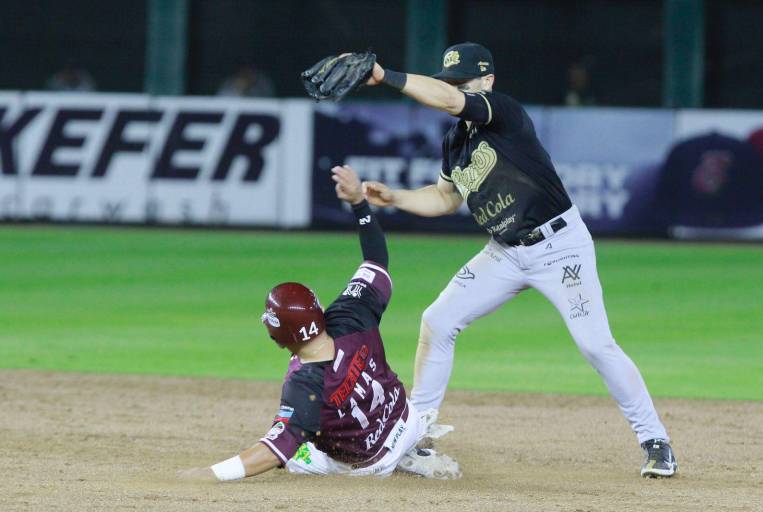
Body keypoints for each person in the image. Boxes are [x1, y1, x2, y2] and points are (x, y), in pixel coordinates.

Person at [358, 42, 677, 477]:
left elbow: (451, 101)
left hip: (559, 245)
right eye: (449, 80)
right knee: (438, 321)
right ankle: (416, 437)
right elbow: (444, 198)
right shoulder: (455, 141)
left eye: (462, 82)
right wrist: (395, 197)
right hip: (505, 252)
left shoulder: (502, 113)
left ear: (486, 83)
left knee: (595, 345)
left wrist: (386, 77)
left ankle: (655, 440)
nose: (453, 90)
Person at [179, 166, 460, 481]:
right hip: (407, 421)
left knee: (297, 450)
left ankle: (397, 460)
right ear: (318, 310)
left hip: (372, 464)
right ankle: (414, 449)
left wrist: (209, 474)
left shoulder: (304, 385)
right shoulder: (351, 314)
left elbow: (274, 450)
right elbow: (376, 259)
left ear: (279, 338)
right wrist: (359, 204)